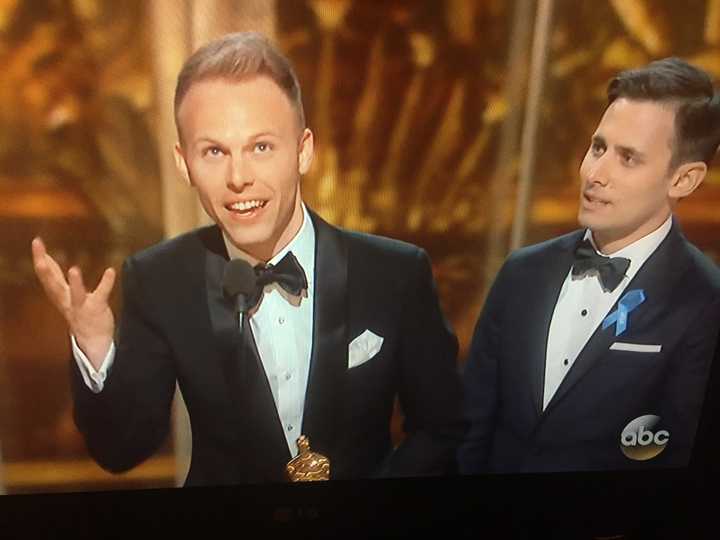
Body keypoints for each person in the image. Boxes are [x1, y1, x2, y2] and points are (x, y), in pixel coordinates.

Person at [32, 32, 465, 486]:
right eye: (214, 152)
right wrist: (95, 347)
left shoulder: (394, 273)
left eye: (261, 147)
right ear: (184, 165)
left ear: (302, 150)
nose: (238, 178)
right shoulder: (160, 279)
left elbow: (444, 429)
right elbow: (122, 449)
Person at [459, 57, 720, 473]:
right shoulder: (523, 272)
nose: (595, 173)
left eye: (628, 158)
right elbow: (470, 428)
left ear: (683, 180)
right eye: (598, 147)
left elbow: (684, 467)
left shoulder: (704, 302)